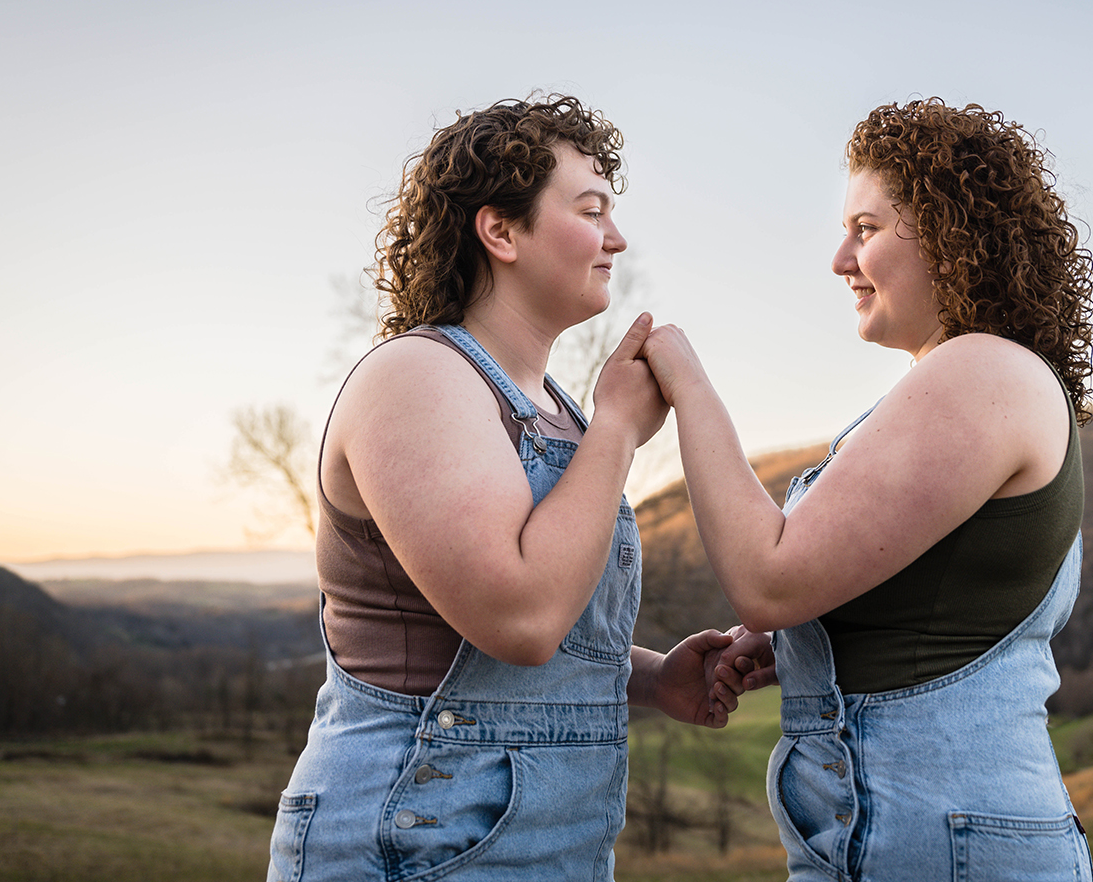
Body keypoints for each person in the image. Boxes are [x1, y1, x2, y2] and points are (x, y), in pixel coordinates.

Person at [267, 95, 765, 882]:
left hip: (544, 840)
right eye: (590, 209)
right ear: (500, 231)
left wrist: (650, 677)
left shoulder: (553, 406)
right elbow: (521, 616)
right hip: (421, 833)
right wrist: (617, 430)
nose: (617, 238)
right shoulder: (419, 377)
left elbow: (533, 636)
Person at [642, 98, 1093, 881]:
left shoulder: (981, 372)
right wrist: (808, 643)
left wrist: (686, 382)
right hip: (923, 839)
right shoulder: (983, 380)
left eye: (867, 229)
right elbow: (943, 609)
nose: (839, 260)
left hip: (937, 845)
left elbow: (766, 577)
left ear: (954, 234)